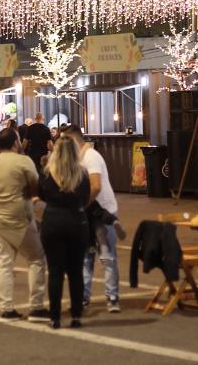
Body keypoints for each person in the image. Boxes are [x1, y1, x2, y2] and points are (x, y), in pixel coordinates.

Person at [0, 128, 49, 322]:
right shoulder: (23, 161)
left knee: (5, 261)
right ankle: (36, 306)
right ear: (15, 142)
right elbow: (36, 186)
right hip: (20, 218)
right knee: (36, 258)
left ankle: (6, 308)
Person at [61, 124, 122, 313]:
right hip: (88, 214)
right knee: (86, 257)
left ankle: (112, 297)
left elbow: (95, 186)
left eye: (65, 141)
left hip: (102, 213)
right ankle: (84, 297)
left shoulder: (91, 157)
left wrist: (81, 205)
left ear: (73, 141)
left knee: (107, 256)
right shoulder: (78, 159)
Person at [39, 136, 91, 329]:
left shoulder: (47, 173)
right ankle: (76, 315)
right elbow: (86, 198)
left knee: (55, 272)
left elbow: (41, 194)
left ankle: (55, 317)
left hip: (52, 221)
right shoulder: (82, 174)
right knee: (76, 272)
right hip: (76, 222)